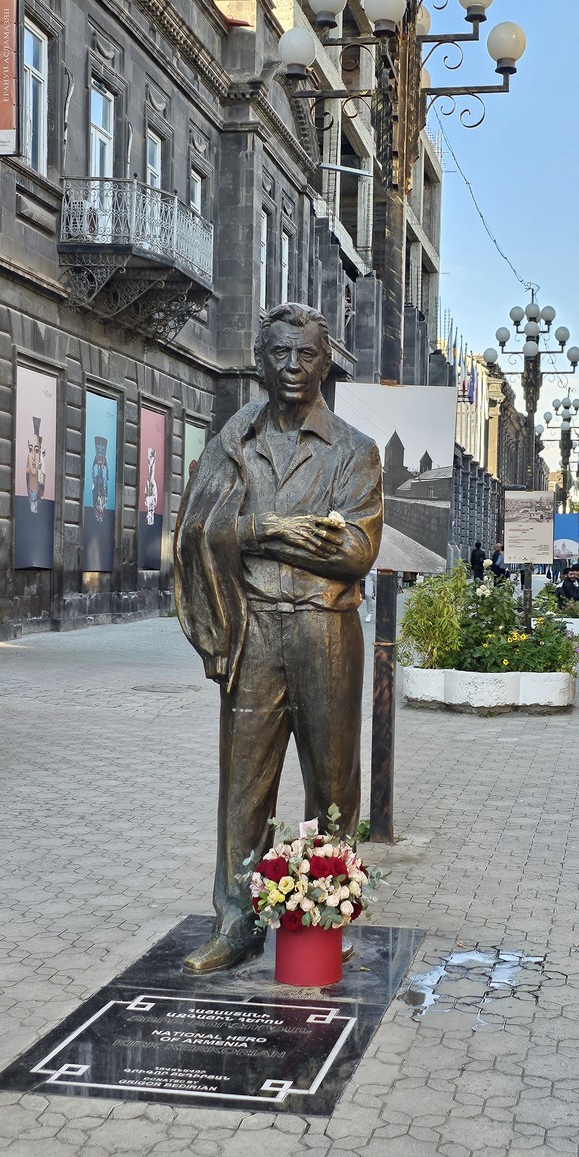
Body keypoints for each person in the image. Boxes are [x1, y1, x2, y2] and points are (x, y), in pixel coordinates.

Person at [174, 302, 383, 973]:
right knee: (243, 783)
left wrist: (268, 531)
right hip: (255, 631)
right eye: (280, 355)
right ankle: (235, 921)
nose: (293, 367)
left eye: (307, 356)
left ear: (328, 363)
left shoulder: (354, 450)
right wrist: (273, 530)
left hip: (326, 633)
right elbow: (200, 529)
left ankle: (325, 911)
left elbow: (354, 548)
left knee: (331, 782)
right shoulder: (234, 441)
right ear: (260, 362)